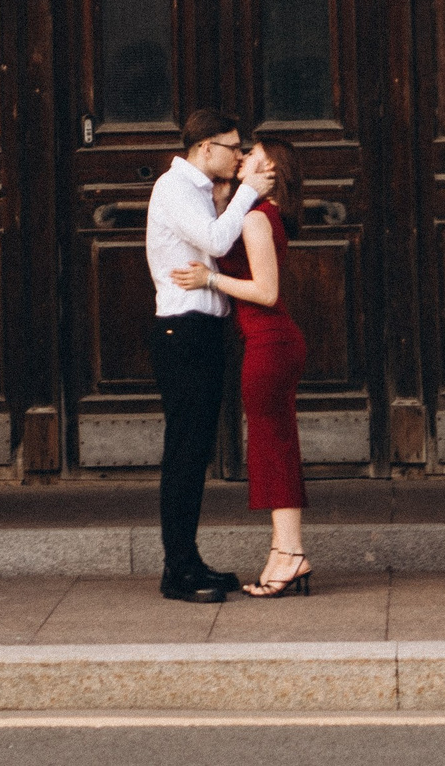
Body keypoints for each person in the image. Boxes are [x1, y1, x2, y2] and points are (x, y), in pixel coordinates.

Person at [173, 134, 310, 598]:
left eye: (252, 155)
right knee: (275, 447)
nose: (242, 158)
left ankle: (290, 554)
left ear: (272, 172)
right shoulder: (252, 213)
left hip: (270, 344)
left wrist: (210, 279)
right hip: (267, 343)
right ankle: (284, 552)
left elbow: (267, 293)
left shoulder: (255, 219)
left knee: (272, 448)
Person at [144, 108, 265, 604]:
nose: (239, 155)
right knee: (185, 452)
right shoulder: (173, 188)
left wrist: (225, 200)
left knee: (196, 451)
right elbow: (216, 241)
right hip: (183, 330)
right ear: (205, 149)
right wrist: (249, 193)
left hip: (206, 328)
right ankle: (176, 569)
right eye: (232, 146)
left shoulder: (200, 191)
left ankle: (188, 559)